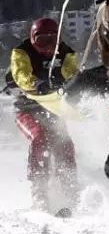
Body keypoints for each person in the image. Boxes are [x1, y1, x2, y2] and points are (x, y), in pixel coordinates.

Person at [8, 17, 79, 212]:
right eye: (41, 40)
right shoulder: (22, 52)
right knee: (40, 138)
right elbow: (20, 73)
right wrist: (34, 84)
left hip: (53, 109)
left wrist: (73, 83)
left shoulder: (65, 52)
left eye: (52, 40)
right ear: (32, 38)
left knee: (65, 144)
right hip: (27, 109)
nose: (47, 46)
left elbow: (71, 70)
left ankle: (70, 192)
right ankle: (39, 193)